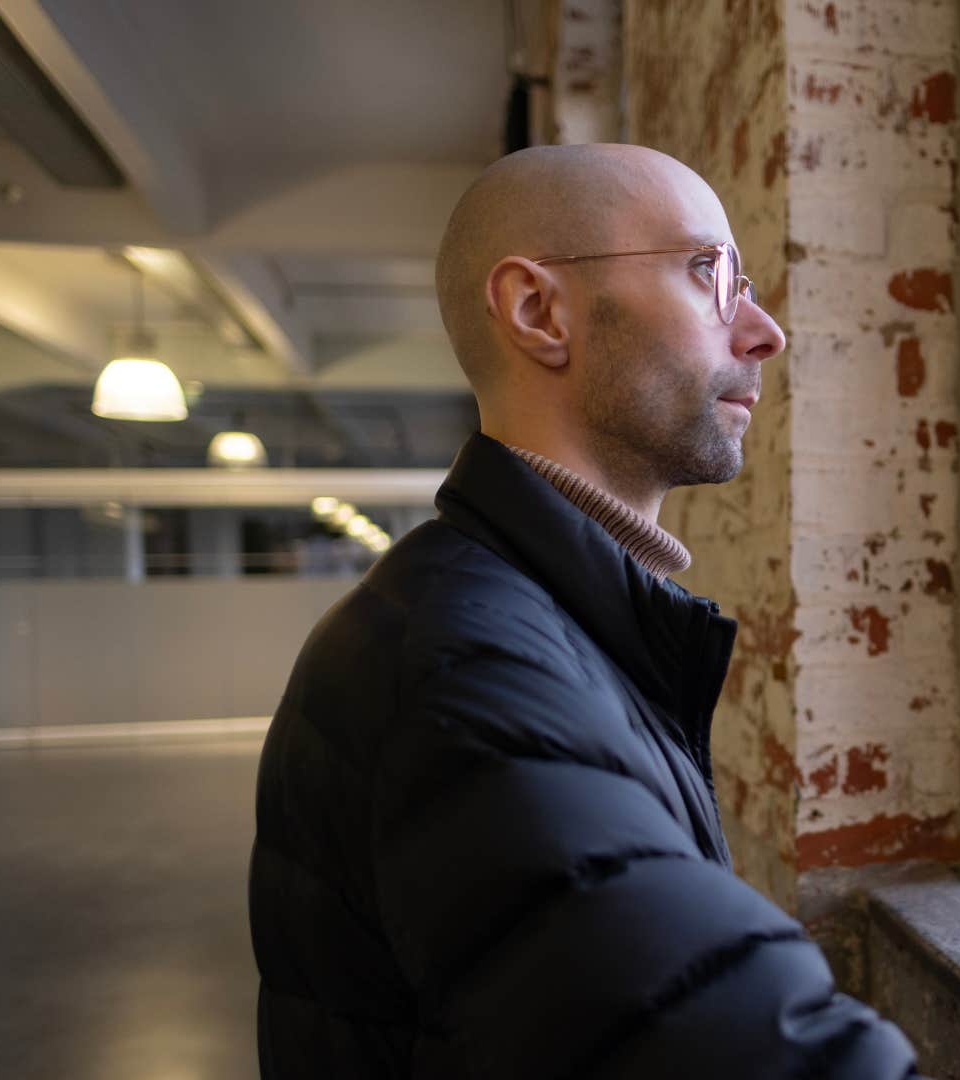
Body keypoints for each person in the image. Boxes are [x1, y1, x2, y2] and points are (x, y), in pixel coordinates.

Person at [248, 144, 919, 1078]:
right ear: (538, 312)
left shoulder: (532, 616)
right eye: (705, 272)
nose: (765, 331)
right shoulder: (463, 668)